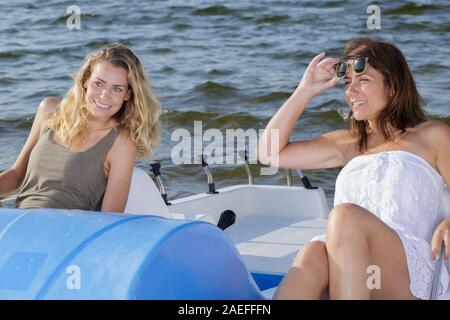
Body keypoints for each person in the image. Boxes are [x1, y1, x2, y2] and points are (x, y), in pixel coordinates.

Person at [258, 38, 450, 300]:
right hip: (351, 271)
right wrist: (305, 90)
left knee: (345, 216)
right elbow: (268, 153)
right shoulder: (348, 143)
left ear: (393, 86)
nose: (351, 92)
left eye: (364, 81)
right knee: (314, 251)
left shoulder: (432, 136)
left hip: (407, 274)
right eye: (348, 83)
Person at [0, 43, 161, 213]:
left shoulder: (122, 143)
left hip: (68, 233)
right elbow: (17, 176)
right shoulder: (49, 110)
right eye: (99, 84)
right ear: (85, 80)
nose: (104, 95)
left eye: (117, 89)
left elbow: (110, 217)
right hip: (19, 225)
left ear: (128, 94)